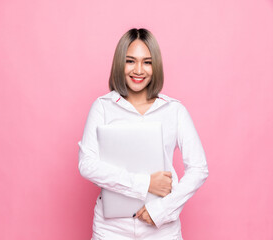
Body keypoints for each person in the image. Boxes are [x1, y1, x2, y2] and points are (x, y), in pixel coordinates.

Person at [78, 28, 208, 240]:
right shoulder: (103, 107)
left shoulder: (174, 110)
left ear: (155, 66)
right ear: (120, 63)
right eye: (130, 61)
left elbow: (199, 169)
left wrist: (162, 211)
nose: (139, 70)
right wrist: (145, 184)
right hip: (111, 229)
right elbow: (87, 164)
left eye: (147, 62)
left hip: (162, 228)